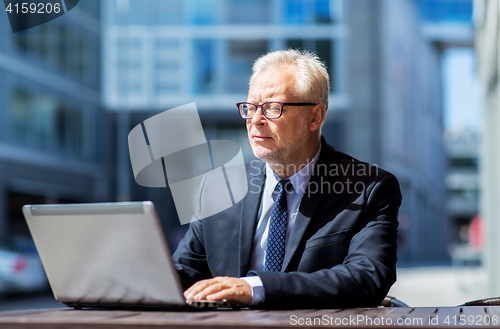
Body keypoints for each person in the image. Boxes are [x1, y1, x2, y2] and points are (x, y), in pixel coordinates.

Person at [173, 49, 402, 309]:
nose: (256, 120)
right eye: (250, 107)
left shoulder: (369, 189)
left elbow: (367, 278)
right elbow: (185, 271)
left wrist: (255, 288)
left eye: (272, 108)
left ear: (315, 117)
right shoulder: (219, 187)